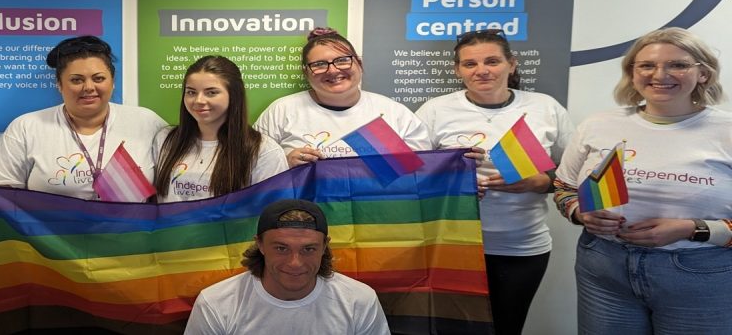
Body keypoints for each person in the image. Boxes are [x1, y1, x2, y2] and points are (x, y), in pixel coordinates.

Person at [553, 27, 729, 333]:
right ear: (632, 74)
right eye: (647, 65)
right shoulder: (598, 124)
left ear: (703, 73)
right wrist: (579, 213)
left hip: (701, 274)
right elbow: (563, 188)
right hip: (604, 269)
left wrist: (695, 229)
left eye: (678, 64)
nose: (660, 74)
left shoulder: (725, 130)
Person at [415, 29, 573, 335]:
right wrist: (452, 184)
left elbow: (572, 175)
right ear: (457, 70)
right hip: (452, 244)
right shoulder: (435, 110)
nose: (482, 71)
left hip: (522, 246)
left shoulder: (545, 107)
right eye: (470, 64)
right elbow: (411, 174)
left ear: (511, 64)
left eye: (492, 61)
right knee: (453, 330)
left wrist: (540, 181)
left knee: (507, 327)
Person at [0, 36, 166, 200]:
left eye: (99, 78)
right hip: (51, 237)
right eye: (76, 80)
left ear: (113, 81)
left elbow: (180, 175)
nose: (88, 87)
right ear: (59, 84)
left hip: (130, 235)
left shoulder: (146, 122)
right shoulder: (27, 127)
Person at [184, 199, 390, 334]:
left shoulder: (359, 300)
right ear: (261, 245)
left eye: (308, 249)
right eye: (281, 248)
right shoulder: (216, 303)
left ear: (324, 247)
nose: (295, 262)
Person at [254, 27, 431, 167]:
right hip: (305, 211)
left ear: (359, 63)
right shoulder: (282, 110)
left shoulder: (392, 112)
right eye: (319, 64)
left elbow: (423, 171)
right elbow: (251, 166)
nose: (333, 70)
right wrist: (284, 163)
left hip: (375, 209)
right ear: (306, 72)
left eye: (342, 60)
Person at [153, 55, 287, 202]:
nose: (199, 100)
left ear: (234, 95)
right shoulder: (165, 140)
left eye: (211, 92)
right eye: (191, 92)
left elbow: (271, 213)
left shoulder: (264, 151)